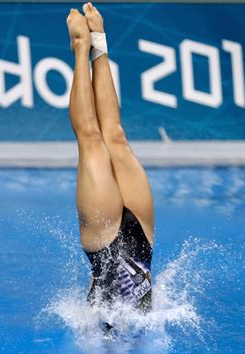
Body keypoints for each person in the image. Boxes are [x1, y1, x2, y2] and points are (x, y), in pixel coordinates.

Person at [66, 3, 155, 315]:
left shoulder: (98, 338)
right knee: (115, 137)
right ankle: (98, 41)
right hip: (143, 243)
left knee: (92, 140)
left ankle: (80, 48)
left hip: (105, 244)